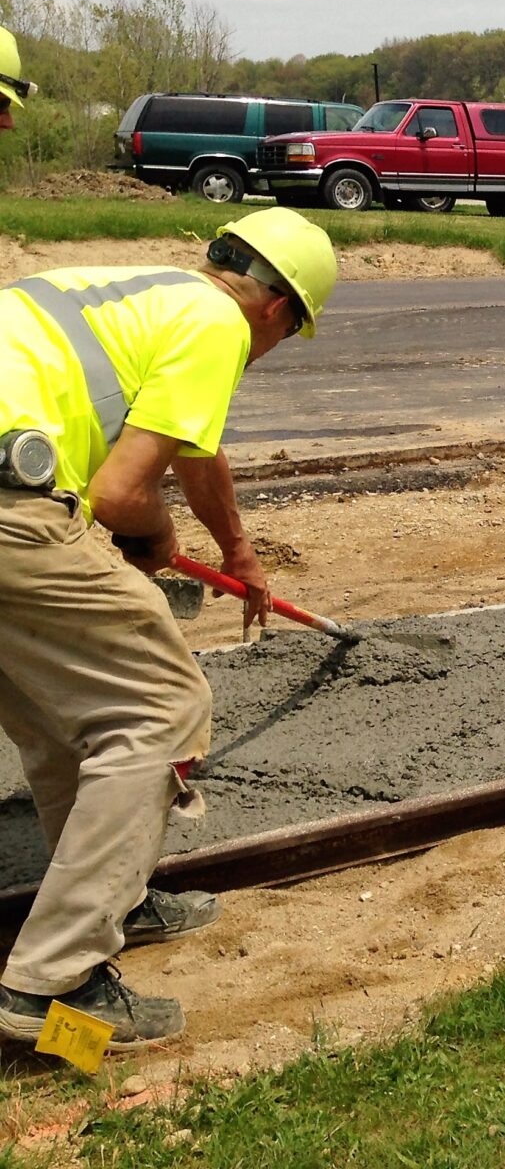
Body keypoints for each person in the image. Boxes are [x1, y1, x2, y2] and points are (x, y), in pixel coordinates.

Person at [0, 140, 339, 1048]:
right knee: (160, 706)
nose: (266, 350)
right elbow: (120, 496)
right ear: (276, 309)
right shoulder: (221, 326)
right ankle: (50, 986)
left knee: (59, 711)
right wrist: (150, 540)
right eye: (284, 336)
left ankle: (119, 900)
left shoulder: (147, 294)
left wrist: (238, 549)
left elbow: (193, 447)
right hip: (9, 503)